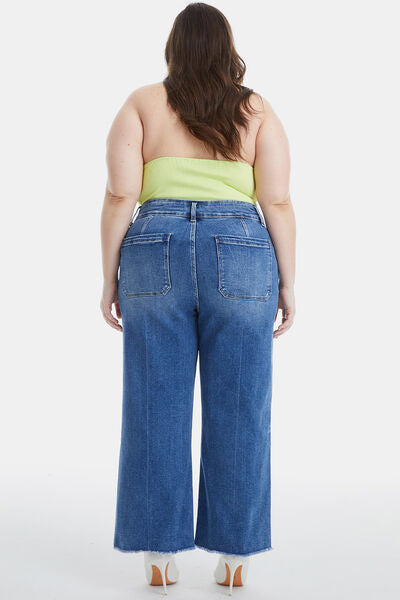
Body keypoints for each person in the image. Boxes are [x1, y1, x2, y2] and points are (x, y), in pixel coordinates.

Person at [100, 2, 295, 595]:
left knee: (153, 401)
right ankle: (235, 558)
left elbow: (120, 196)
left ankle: (159, 556)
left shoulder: (141, 104)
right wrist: (289, 281)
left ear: (173, 49)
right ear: (227, 50)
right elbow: (277, 201)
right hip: (241, 249)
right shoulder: (256, 111)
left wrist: (108, 277)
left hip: (153, 246)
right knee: (241, 403)